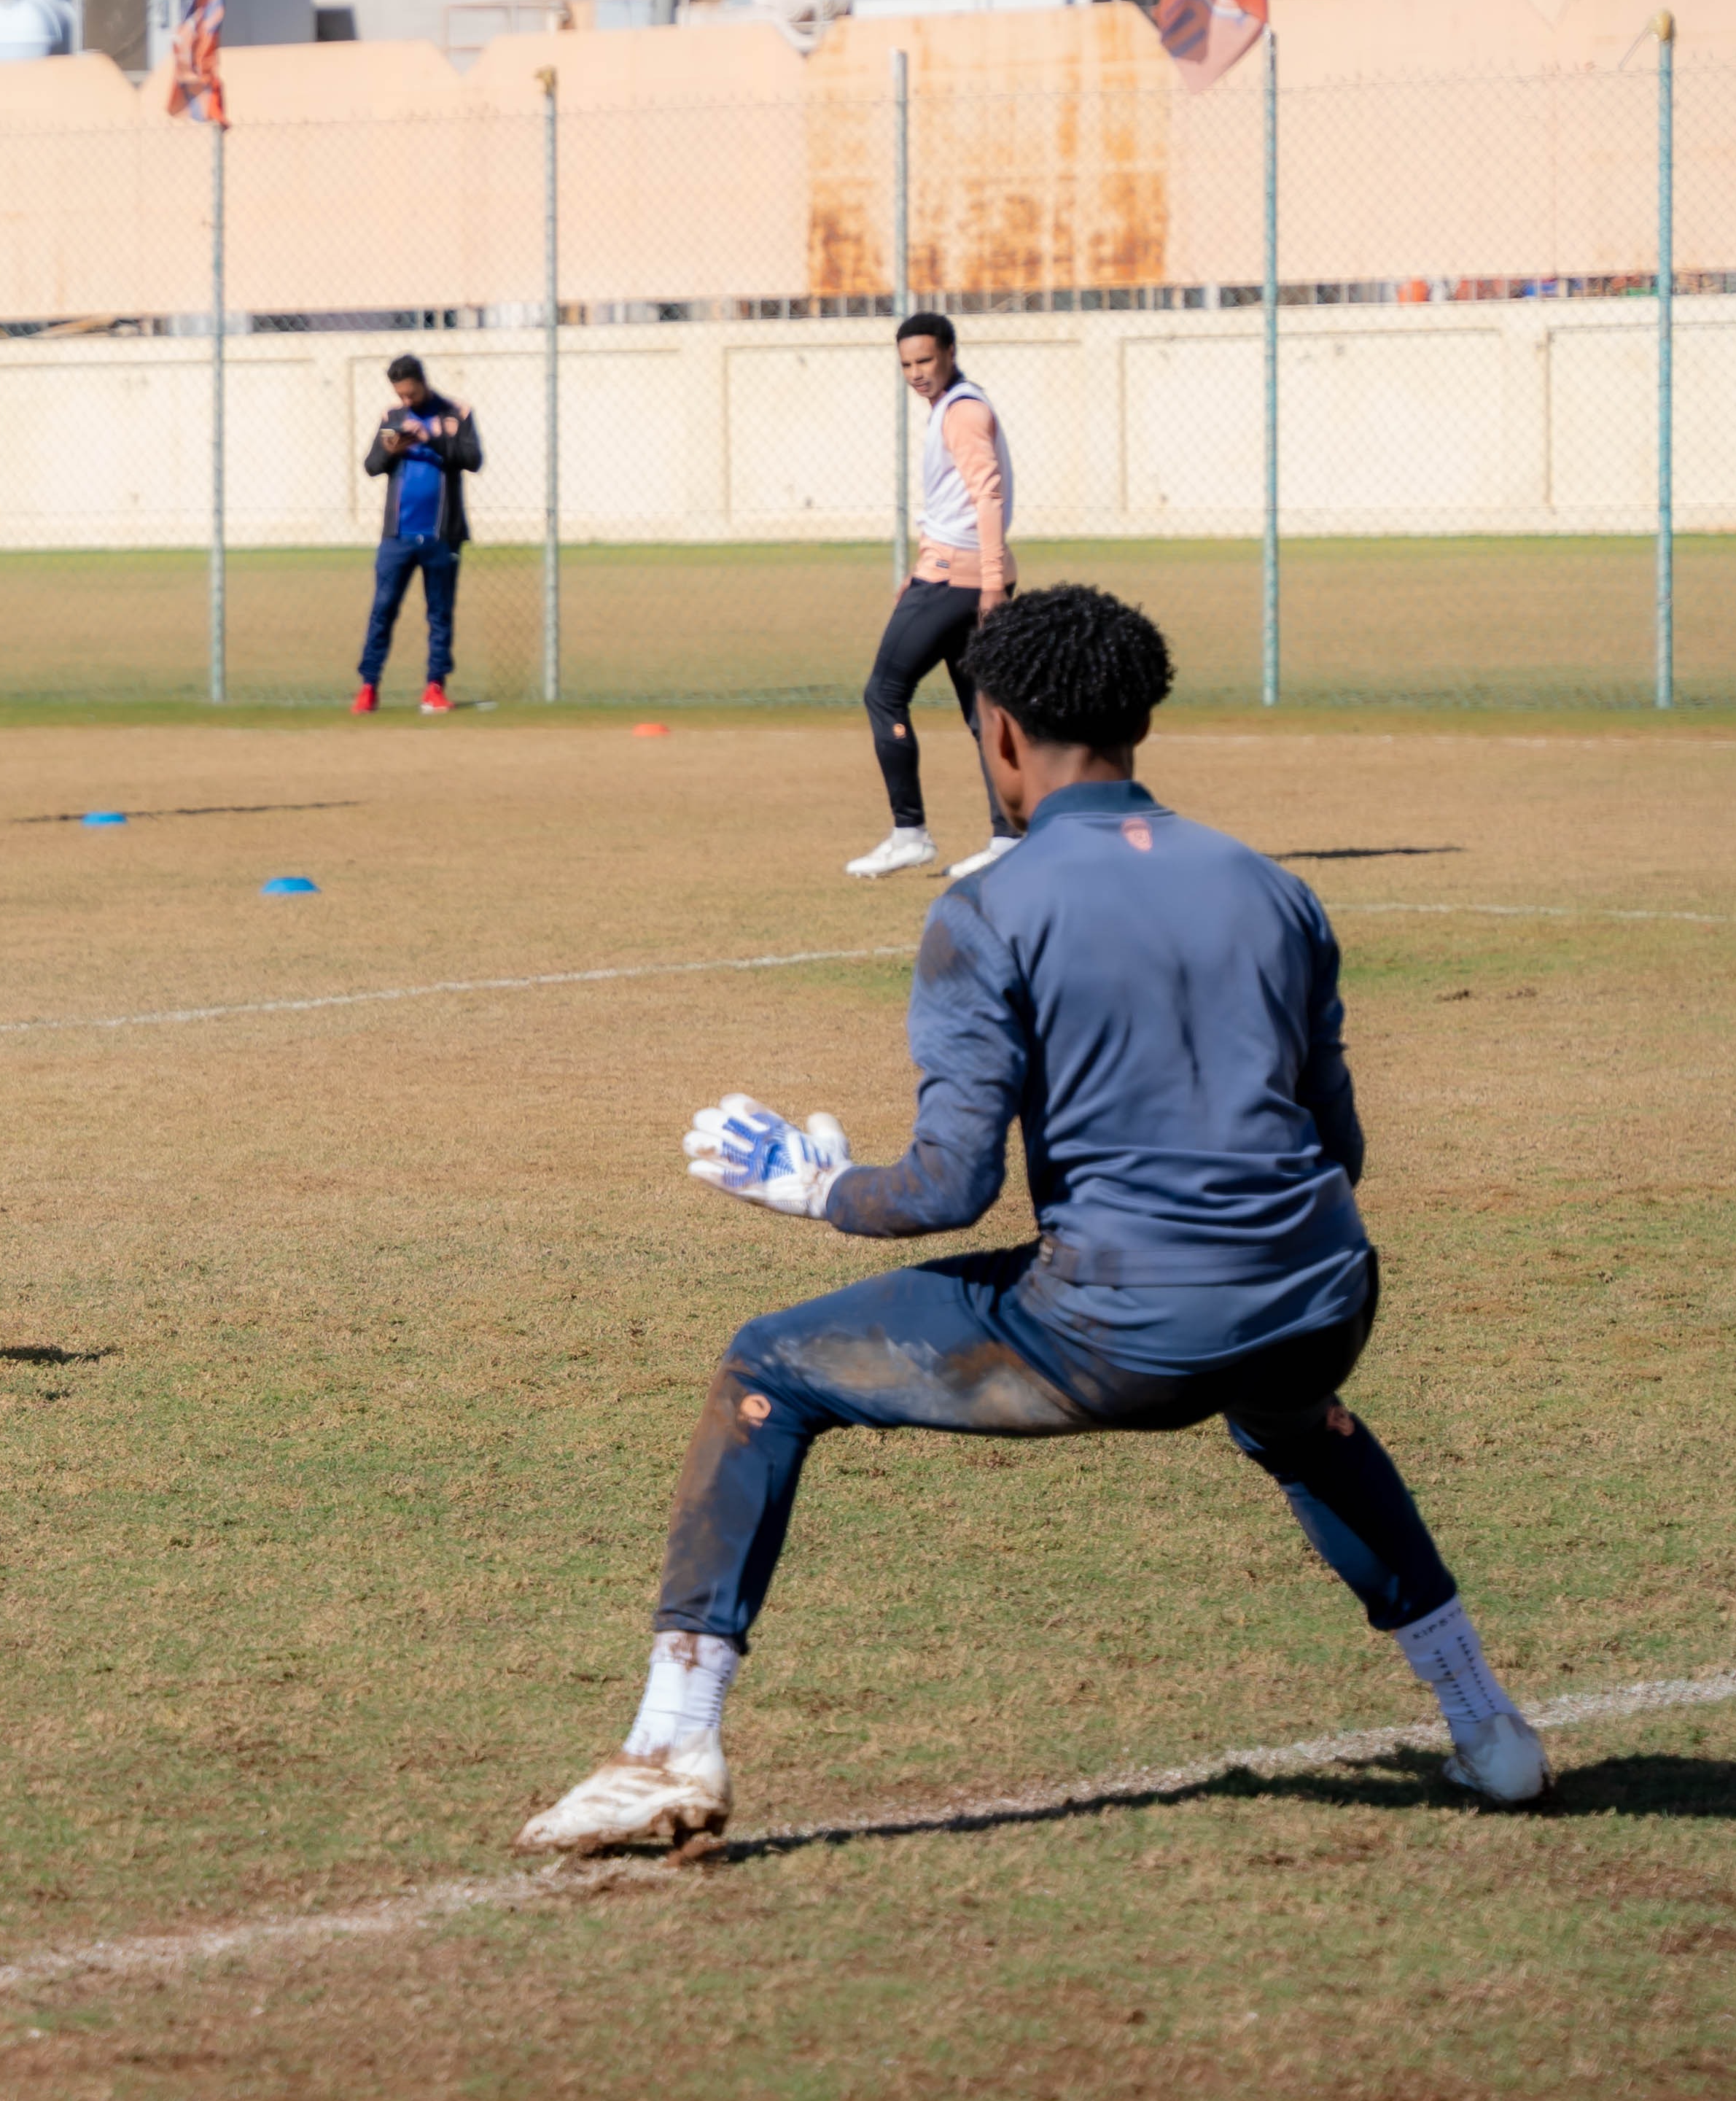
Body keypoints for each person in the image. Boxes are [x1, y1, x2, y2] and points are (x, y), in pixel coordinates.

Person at [521, 585, 1550, 1856]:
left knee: (764, 1367)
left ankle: (671, 1741)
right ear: (1139, 722)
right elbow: (1336, 1149)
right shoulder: (1276, 890)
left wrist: (813, 1184)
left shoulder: (987, 907)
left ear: (995, 732)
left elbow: (948, 1190)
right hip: (1323, 1296)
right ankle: (1488, 1728)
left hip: (1124, 1328)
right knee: (1293, 1413)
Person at [846, 314, 1019, 884]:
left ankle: (909, 834)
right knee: (983, 714)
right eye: (906, 365)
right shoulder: (959, 405)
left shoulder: (963, 412)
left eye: (925, 360)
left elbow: (986, 496)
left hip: (957, 582)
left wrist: (991, 582)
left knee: (884, 693)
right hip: (952, 573)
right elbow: (949, 502)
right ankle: (1009, 838)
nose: (917, 373)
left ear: (950, 352)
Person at [351, 355, 479, 717]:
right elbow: (372, 466)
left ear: (423, 382)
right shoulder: (391, 418)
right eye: (401, 395)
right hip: (398, 537)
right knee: (383, 611)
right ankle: (368, 688)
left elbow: (473, 458)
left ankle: (435, 689)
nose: (406, 401)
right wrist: (392, 452)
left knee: (440, 614)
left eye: (411, 393)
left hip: (442, 536)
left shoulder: (457, 414)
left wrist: (432, 439)